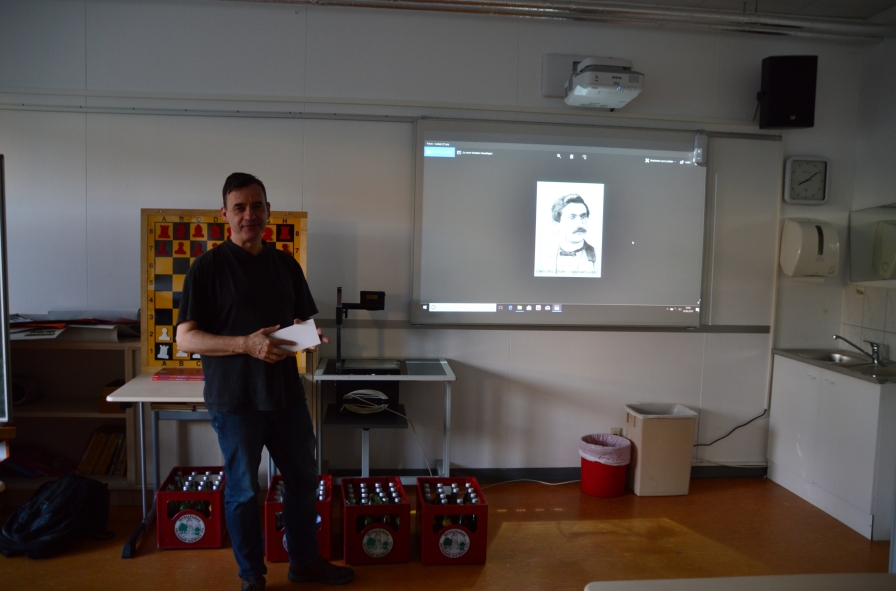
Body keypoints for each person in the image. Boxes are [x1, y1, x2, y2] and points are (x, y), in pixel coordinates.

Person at [176, 173, 354, 590]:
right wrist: (246, 344)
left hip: (285, 396)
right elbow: (185, 339)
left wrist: (306, 335)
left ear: (269, 211)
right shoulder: (206, 268)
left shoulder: (285, 264)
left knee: (303, 481)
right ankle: (252, 576)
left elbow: (296, 322)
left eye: (257, 206)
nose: (249, 215)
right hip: (235, 401)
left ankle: (304, 563)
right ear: (224, 214)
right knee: (242, 491)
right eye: (239, 207)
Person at [535, 194, 598, 276]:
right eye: (572, 218)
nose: (580, 224)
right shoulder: (542, 258)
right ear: (556, 225)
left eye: (583, 217)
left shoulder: (599, 256)